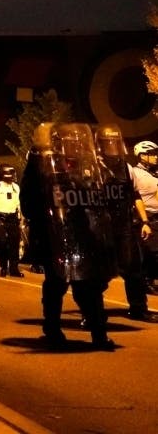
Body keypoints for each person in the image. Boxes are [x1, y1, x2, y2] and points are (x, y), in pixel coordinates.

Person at [20, 122, 117, 350]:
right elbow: (29, 203)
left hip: (80, 234)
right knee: (56, 283)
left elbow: (95, 199)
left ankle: (98, 332)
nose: (71, 149)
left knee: (88, 283)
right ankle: (52, 328)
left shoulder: (82, 173)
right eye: (66, 145)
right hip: (53, 234)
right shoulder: (42, 172)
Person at [95, 126, 156, 322]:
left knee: (134, 270)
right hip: (101, 227)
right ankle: (93, 312)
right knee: (100, 272)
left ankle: (138, 308)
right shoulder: (91, 166)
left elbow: (135, 195)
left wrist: (144, 221)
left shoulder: (125, 167)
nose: (112, 147)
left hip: (124, 226)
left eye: (115, 143)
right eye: (108, 143)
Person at [131, 141, 158, 292]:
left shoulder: (155, 172)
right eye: (152, 154)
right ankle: (146, 281)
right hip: (146, 216)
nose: (156, 157)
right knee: (152, 251)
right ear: (142, 156)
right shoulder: (135, 173)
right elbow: (134, 196)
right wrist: (143, 220)